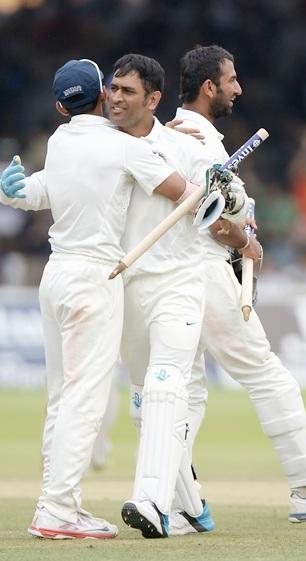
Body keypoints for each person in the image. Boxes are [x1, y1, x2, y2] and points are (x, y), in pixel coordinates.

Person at [0, 58, 207, 539]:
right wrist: (188, 157)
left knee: (63, 399)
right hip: (95, 278)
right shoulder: (122, 147)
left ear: (60, 107)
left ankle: (55, 502)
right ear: (100, 95)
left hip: (55, 277)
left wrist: (12, 193)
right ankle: (57, 509)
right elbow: (185, 193)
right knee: (85, 400)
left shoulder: (58, 141)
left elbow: (42, 192)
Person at [173, 44, 306, 522]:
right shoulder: (199, 142)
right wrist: (244, 240)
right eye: (232, 80)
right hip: (200, 271)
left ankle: (173, 501)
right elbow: (204, 214)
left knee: (186, 391)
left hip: (167, 280)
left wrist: (240, 225)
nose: (239, 88)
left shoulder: (167, 133)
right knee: (268, 375)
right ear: (209, 87)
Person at [107, 53, 247, 538]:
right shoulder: (100, 147)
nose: (116, 98)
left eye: (128, 91)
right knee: (144, 405)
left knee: (168, 386)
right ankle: (192, 506)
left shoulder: (184, 146)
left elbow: (233, 208)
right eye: (113, 88)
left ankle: (151, 502)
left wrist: (223, 193)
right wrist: (19, 193)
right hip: (126, 288)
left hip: (178, 285)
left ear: (153, 99)